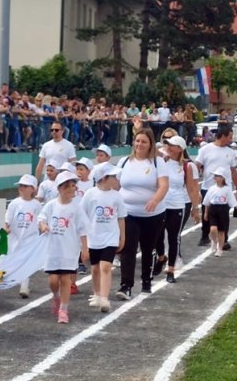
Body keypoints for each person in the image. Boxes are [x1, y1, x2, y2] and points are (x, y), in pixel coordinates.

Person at [115, 128, 169, 300]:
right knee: (128, 248)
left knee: (148, 248)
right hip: (128, 213)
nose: (139, 144)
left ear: (150, 144)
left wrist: (154, 200)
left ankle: (146, 280)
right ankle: (126, 286)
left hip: (152, 215)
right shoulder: (124, 162)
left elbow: (163, 185)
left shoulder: (157, 162)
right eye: (137, 141)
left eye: (143, 141)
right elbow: (116, 186)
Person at [39, 171, 90, 324]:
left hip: (70, 250)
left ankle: (64, 309)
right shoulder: (51, 205)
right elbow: (41, 218)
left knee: (66, 280)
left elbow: (83, 229)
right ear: (59, 188)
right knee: (53, 280)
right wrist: (43, 225)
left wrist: (85, 248)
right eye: (67, 187)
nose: (71, 190)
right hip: (53, 249)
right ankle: (56, 297)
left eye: (73, 187)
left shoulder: (77, 208)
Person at [81, 162, 126, 312]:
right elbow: (83, 216)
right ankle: (97, 293)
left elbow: (120, 218)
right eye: (113, 176)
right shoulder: (90, 194)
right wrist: (84, 241)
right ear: (104, 178)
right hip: (94, 237)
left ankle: (105, 299)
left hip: (111, 236)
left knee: (105, 266)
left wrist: (122, 237)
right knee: (95, 269)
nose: (116, 179)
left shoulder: (116, 196)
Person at [157, 135, 201, 282]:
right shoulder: (161, 160)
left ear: (180, 149)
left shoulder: (187, 166)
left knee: (173, 237)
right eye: (167, 144)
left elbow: (192, 189)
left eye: (172, 145)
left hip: (177, 204)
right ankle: (161, 256)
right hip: (161, 204)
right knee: (158, 235)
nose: (168, 147)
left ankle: (170, 270)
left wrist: (195, 209)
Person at [195, 126, 237, 248]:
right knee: (207, 213)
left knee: (224, 215)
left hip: (225, 188)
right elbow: (197, 165)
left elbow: (233, 170)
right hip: (208, 186)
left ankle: (224, 240)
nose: (231, 139)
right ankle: (205, 236)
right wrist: (194, 183)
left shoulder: (230, 152)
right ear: (223, 136)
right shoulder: (206, 149)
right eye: (229, 137)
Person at [5, 174, 43, 299]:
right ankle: (13, 278)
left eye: (25, 186)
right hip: (15, 237)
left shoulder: (36, 205)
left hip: (30, 237)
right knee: (14, 260)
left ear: (33, 189)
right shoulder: (14, 204)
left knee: (26, 260)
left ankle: (24, 286)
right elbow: (8, 219)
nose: (22, 188)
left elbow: (39, 221)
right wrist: (6, 226)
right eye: (21, 186)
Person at [202, 168, 237, 257]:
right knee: (213, 229)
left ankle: (220, 249)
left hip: (223, 210)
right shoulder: (211, 188)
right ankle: (214, 241)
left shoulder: (227, 189)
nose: (215, 177)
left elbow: (232, 201)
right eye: (215, 176)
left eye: (217, 176)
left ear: (223, 178)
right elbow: (207, 202)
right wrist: (206, 213)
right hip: (213, 209)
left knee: (222, 231)